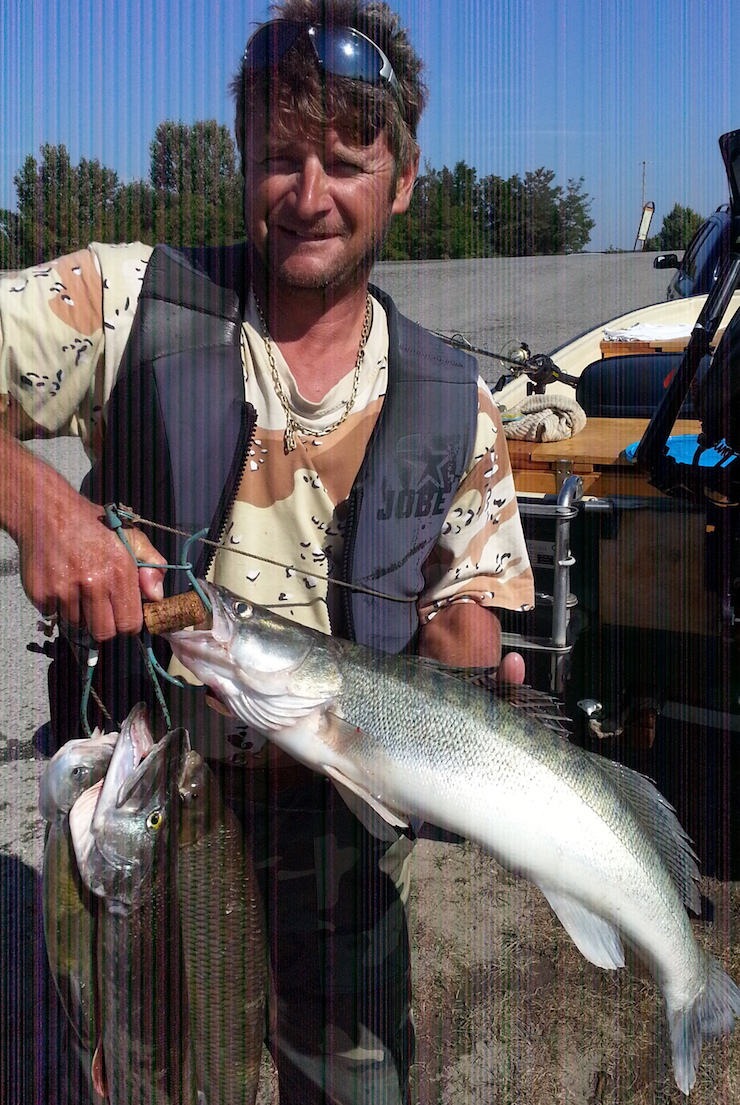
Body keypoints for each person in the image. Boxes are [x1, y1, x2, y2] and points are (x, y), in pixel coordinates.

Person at [0, 2, 534, 1101]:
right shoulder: (129, 304)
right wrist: (34, 498)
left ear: (404, 177)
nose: (308, 193)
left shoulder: (456, 406)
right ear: (241, 160)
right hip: (146, 813)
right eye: (280, 156)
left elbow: (469, 612)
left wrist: (471, 666)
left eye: (346, 160)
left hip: (341, 850)